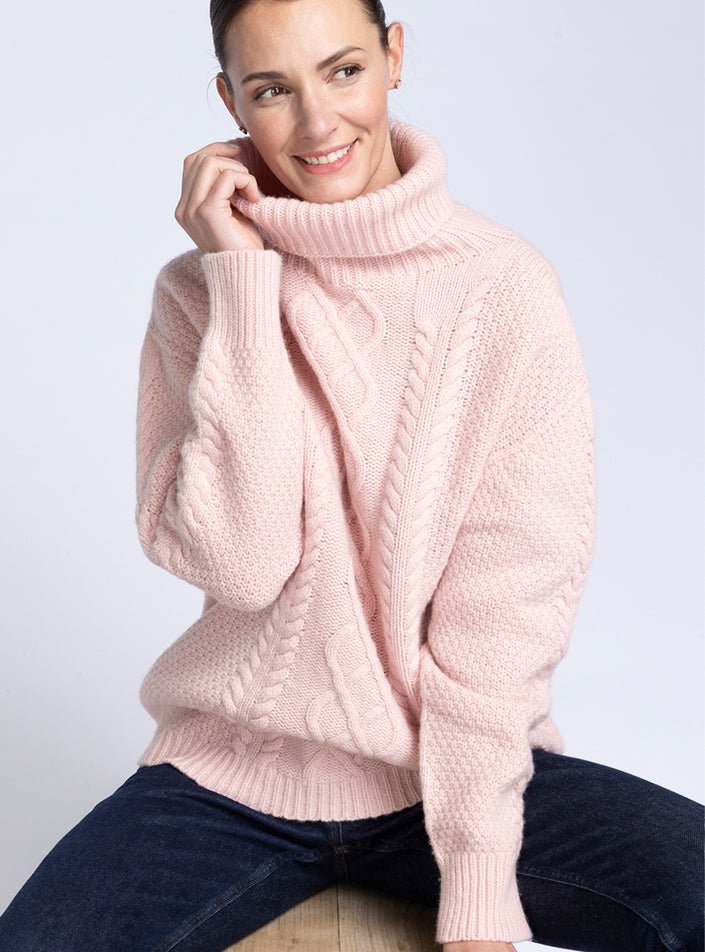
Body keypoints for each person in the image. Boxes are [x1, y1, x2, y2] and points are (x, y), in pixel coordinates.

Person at [0, 0, 702, 950]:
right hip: (226, 785)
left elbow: (503, 618)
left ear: (393, 55)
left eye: (342, 71)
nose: (317, 122)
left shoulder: (503, 290)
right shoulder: (199, 291)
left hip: (448, 772)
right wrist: (243, 286)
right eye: (271, 90)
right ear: (229, 104)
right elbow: (242, 563)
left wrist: (477, 895)